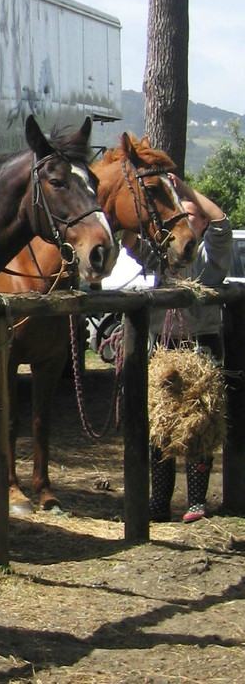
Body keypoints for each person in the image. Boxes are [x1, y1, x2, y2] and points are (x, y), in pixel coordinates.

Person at [121, 174, 232, 523]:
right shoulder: (163, 257)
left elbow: (221, 221)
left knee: (199, 422)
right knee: (161, 424)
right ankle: (159, 502)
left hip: (201, 347)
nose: (184, 222)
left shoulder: (211, 260)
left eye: (190, 216)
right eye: (179, 215)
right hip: (165, 347)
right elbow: (129, 240)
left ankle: (197, 501)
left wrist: (184, 190)